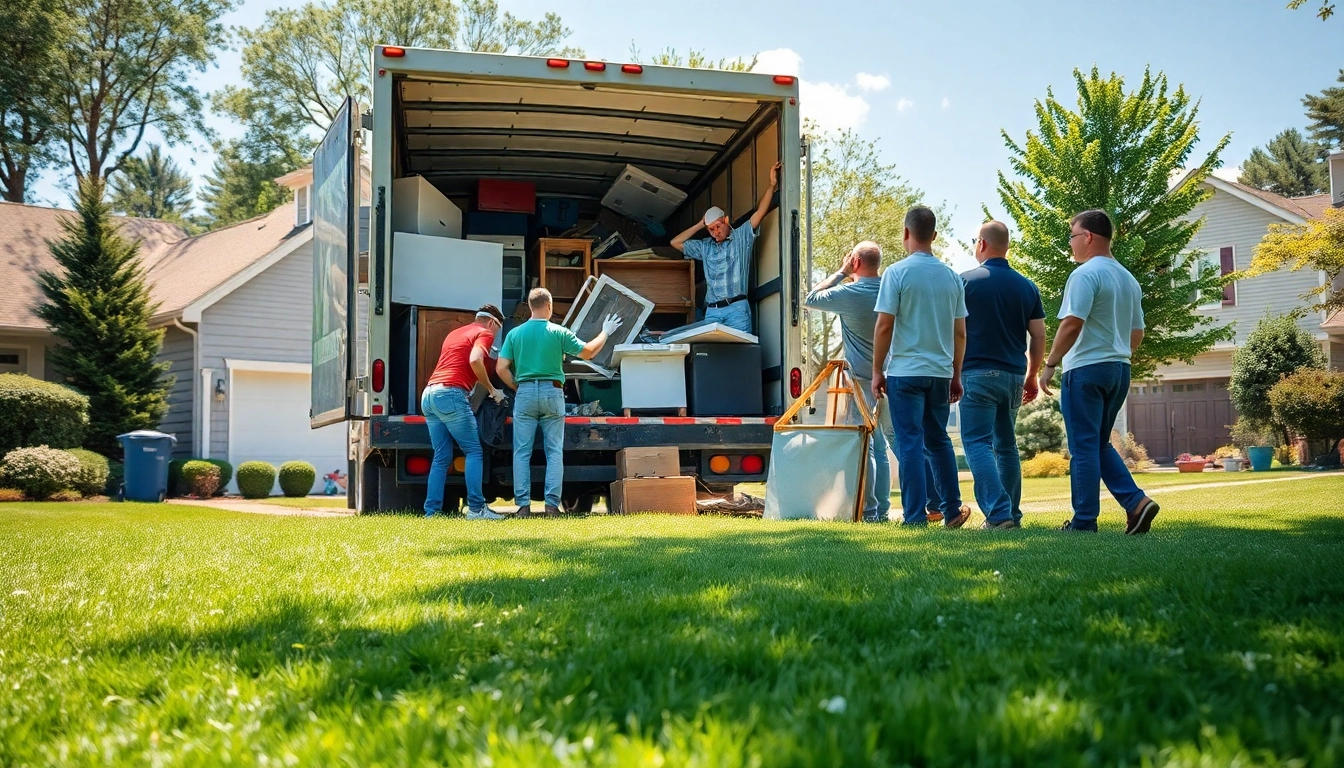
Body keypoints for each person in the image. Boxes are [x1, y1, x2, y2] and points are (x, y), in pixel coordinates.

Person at [1039, 209, 1159, 534]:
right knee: (1098, 444)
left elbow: (1072, 322)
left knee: (1082, 447)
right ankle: (1136, 504)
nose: (1071, 245)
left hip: (1086, 370)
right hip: (1119, 370)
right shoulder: (1128, 279)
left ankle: (1083, 522)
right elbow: (1138, 334)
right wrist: (1116, 353)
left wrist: (1049, 364)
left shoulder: (1085, 274)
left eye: (1072, 237)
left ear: (1088, 237)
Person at [872, 206, 971, 528]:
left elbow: (884, 326)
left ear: (905, 233)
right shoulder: (952, 278)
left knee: (911, 442)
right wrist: (956, 375)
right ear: (935, 236)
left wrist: (877, 371)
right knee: (939, 440)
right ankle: (952, 510)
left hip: (905, 373)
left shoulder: (896, 273)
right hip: (940, 373)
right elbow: (960, 332)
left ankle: (914, 516)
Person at [497, 288, 622, 518]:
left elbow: (501, 368)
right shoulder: (558, 332)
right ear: (550, 306)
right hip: (552, 392)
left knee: (521, 452)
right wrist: (606, 331)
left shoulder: (515, 334)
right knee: (553, 451)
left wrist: (517, 387)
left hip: (524, 393)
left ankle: (523, 506)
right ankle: (551, 506)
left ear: (530, 306)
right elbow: (588, 352)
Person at [960, 221, 1047, 529]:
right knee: (1006, 445)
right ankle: (1012, 515)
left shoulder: (965, 282)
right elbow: (1038, 335)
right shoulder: (1026, 286)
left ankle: (998, 515)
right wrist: (1032, 374)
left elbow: (953, 332)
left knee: (977, 442)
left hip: (976, 374)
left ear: (982, 243)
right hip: (1012, 375)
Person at [804, 241, 892, 522]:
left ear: (855, 262)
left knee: (865, 446)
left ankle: (869, 512)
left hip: (861, 380)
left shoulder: (848, 292)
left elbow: (811, 298)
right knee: (883, 446)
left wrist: (841, 272)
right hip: (892, 378)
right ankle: (885, 510)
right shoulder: (892, 291)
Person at [670, 161, 782, 334]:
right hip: (712, 311)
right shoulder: (705, 247)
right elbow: (675, 243)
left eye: (718, 226)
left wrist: (771, 185)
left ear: (726, 221)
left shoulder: (741, 237)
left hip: (737, 308)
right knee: (712, 354)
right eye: (711, 229)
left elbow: (760, 212)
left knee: (740, 353)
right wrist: (701, 224)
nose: (715, 232)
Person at [421, 304, 508, 519]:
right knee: (474, 451)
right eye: (497, 331)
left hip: (430, 395)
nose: (494, 336)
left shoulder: (455, 333)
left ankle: (431, 513)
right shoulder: (484, 332)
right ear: (492, 323)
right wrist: (492, 389)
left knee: (441, 456)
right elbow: (474, 359)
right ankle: (477, 509)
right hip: (451, 395)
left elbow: (464, 362)